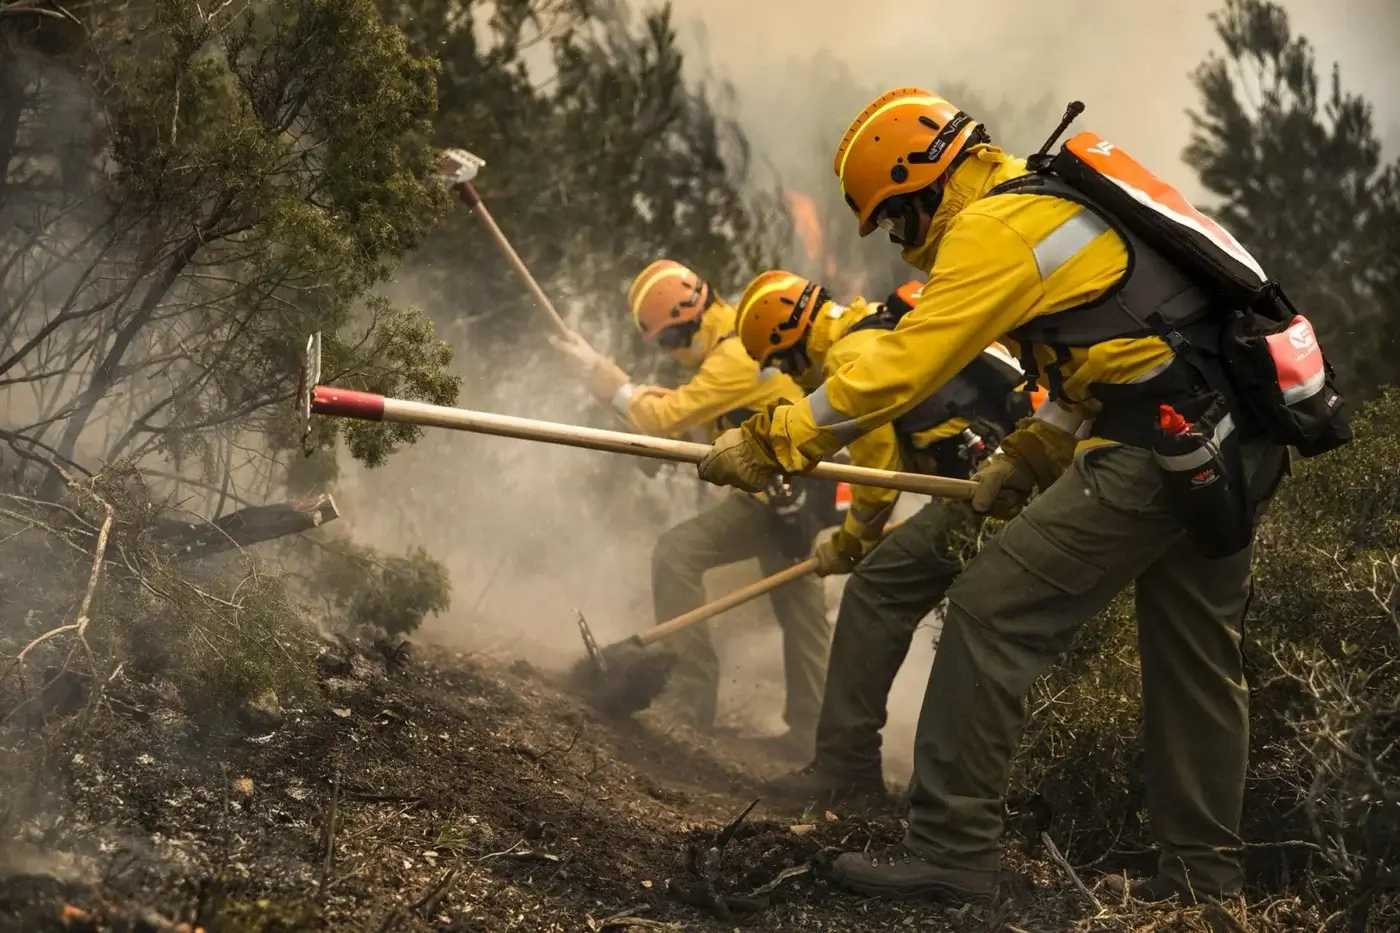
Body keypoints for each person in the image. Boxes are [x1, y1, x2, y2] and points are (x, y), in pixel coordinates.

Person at [692, 88, 1298, 904]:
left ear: (924, 177)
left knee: (988, 610)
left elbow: (902, 365)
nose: (905, 241)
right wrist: (1033, 449)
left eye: (898, 219)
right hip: (1229, 435)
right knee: (1194, 655)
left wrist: (771, 441)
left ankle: (951, 850)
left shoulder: (995, 227)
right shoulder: (1046, 204)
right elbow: (1112, 348)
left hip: (1160, 442)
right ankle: (1202, 881)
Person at [732, 270, 1036, 806]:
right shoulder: (877, 322)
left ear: (789, 338)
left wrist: (850, 546)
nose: (790, 376)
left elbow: (876, 476)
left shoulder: (852, 357)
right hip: (1006, 477)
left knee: (876, 589)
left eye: (782, 362)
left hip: (992, 491)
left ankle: (845, 770)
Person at [552, 259, 833, 756]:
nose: (671, 353)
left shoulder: (738, 353)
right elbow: (680, 419)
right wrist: (602, 377)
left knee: (677, 554)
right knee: (798, 601)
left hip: (785, 488)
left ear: (689, 320)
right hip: (798, 486)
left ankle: (689, 699)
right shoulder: (729, 345)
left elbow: (665, 417)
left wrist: (613, 386)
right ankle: (814, 732)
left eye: (667, 341)